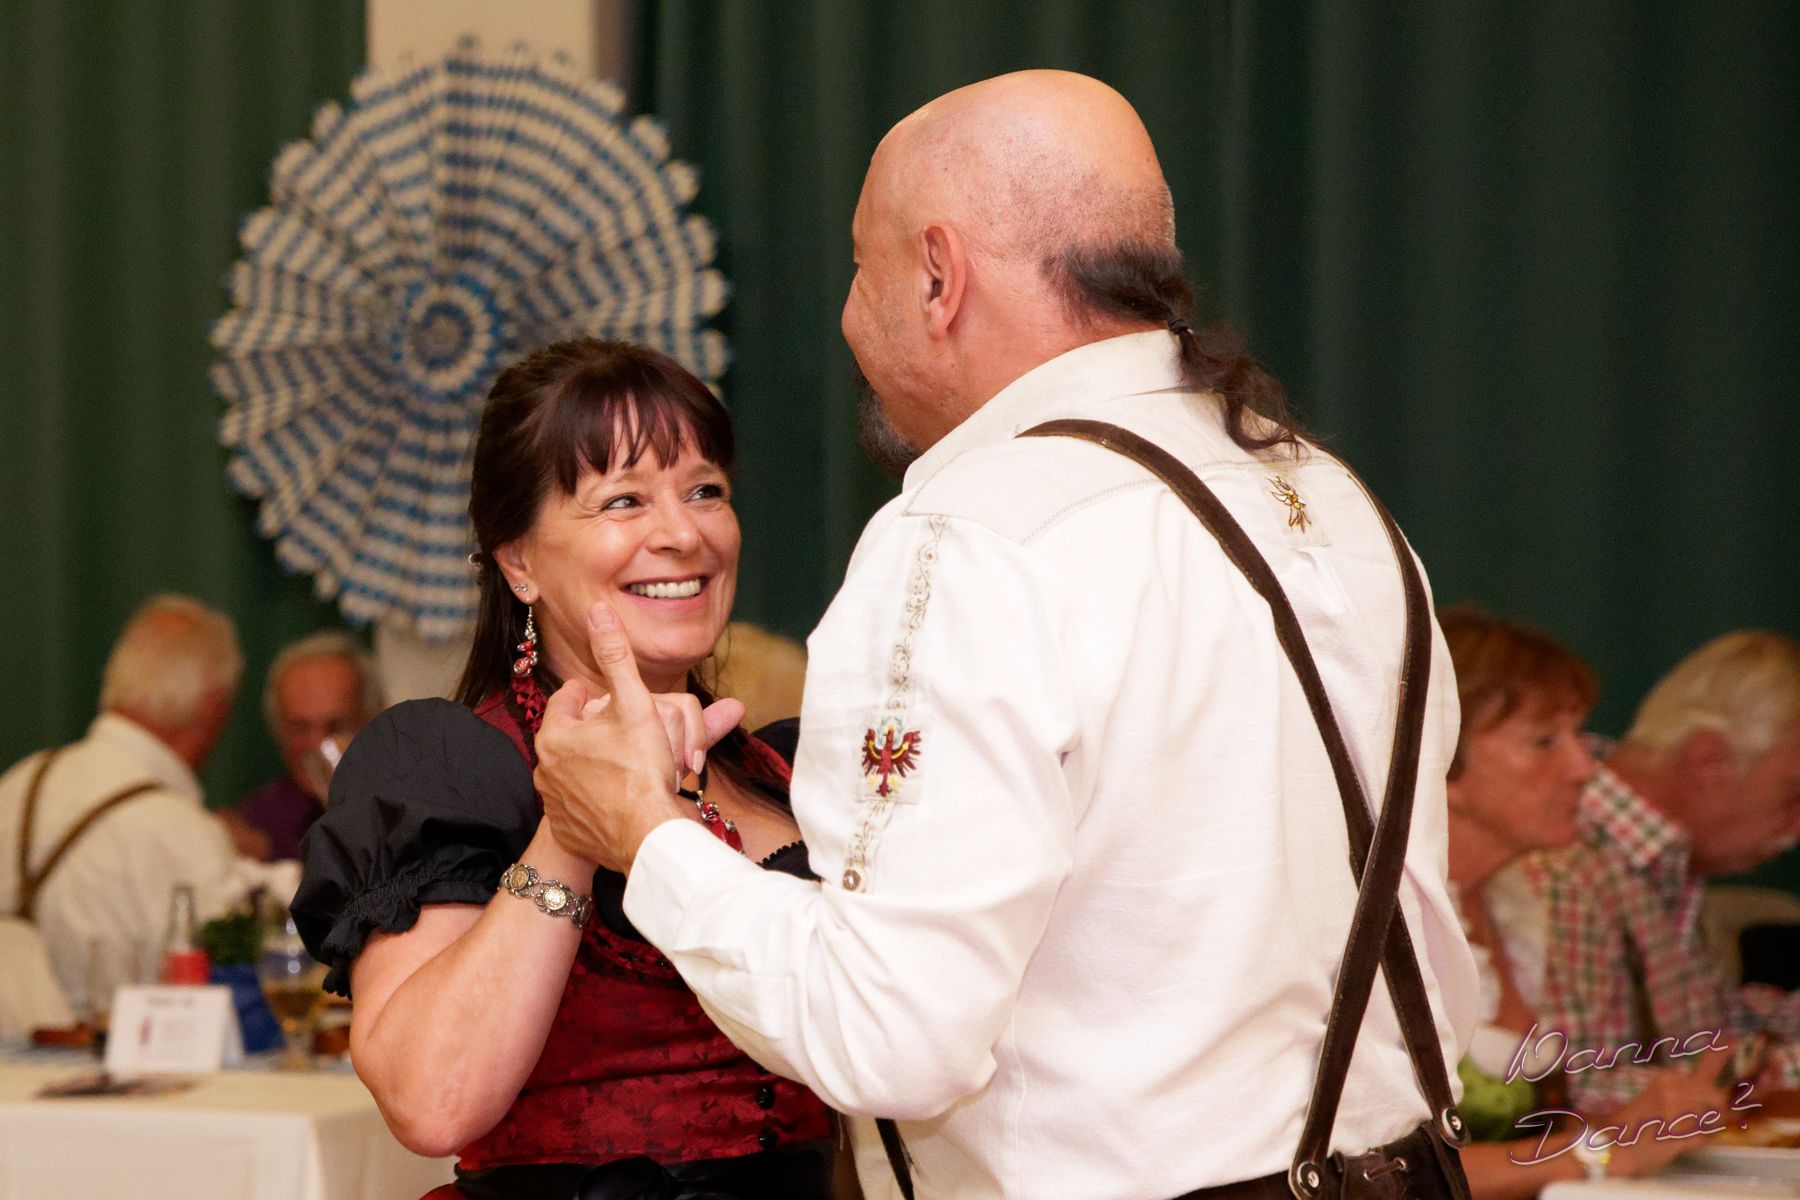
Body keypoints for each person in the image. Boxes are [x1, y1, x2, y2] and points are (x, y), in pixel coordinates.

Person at [531, 71, 1482, 1198]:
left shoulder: (970, 537)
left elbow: (888, 1035)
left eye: (861, 267)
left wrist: (646, 834)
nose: (848, 316)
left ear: (939, 276)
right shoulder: (1334, 500)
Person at [290, 340, 834, 1199]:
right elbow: (432, 1103)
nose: (683, 533)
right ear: (519, 561)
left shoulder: (793, 767)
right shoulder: (450, 769)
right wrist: (573, 822)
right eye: (624, 500)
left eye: (705, 491)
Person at [1436, 607, 1727, 1197]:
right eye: (1545, 741)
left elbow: (1538, 1133)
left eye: (1577, 736)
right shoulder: (1379, 929)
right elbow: (1361, 1174)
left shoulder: (1519, 905)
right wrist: (1598, 1151)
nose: (1583, 767)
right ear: (1441, 763)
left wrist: (1641, 1118)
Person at [1493, 630, 1800, 1113]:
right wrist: (1728, 1080)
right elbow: (1562, 1088)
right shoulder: (1566, 861)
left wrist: (1755, 1054)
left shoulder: (1664, 858)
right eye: (1792, 795)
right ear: (1708, 762)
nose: (1795, 827)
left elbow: (1704, 1036)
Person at [0, 594, 253, 1018]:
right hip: (118, 1058)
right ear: (212, 705)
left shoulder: (17, 783)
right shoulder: (182, 831)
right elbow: (224, 1009)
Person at [219, 631, 384, 862]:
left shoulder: (411, 811)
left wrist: (271, 855)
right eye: (300, 728)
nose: (317, 744)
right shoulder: (261, 819)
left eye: (336, 727)